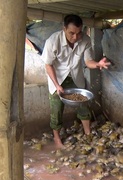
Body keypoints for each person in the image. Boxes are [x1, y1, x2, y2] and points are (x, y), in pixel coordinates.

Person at [41, 14, 110, 148]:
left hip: (75, 78)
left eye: (78, 33)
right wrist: (57, 85)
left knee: (83, 103)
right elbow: (48, 65)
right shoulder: (53, 41)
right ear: (64, 28)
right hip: (57, 78)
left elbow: (88, 61)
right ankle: (57, 138)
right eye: (71, 33)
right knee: (56, 109)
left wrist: (98, 64)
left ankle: (88, 132)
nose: (75, 37)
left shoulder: (85, 40)